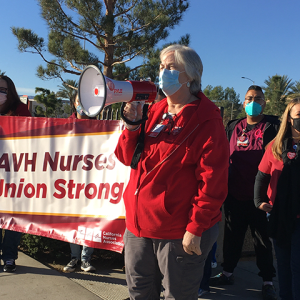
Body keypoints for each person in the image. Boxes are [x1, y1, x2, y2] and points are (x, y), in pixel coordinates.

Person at [115, 44, 229, 300]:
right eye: (161, 67)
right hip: (139, 226)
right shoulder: (155, 111)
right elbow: (126, 157)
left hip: (178, 231)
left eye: (170, 67)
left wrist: (195, 228)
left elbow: (213, 183)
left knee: (177, 295)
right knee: (139, 291)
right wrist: (133, 125)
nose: (162, 72)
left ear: (189, 76)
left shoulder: (206, 120)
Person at [210, 85, 279, 300]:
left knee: (262, 241)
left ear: (264, 102)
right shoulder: (233, 126)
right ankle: (228, 272)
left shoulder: (273, 126)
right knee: (232, 237)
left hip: (261, 198)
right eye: (249, 98)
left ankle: (268, 281)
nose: (253, 102)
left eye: (258, 98)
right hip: (234, 194)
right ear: (243, 102)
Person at [254, 98, 300, 299]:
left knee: (297, 266)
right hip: (279, 217)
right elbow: (261, 176)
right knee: (282, 264)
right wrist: (259, 201)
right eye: (299, 115)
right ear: (289, 119)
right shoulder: (276, 146)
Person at [0, 75, 31, 272]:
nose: (0, 93)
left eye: (3, 90)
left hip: (15, 174)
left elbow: (30, 137)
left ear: (10, 91)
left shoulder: (21, 110)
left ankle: (9, 257)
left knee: (12, 218)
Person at [63, 92, 96, 273]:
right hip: (70, 183)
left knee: (89, 221)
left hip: (92, 184)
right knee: (72, 221)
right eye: (78, 100)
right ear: (74, 103)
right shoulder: (64, 125)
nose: (81, 104)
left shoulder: (101, 127)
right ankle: (74, 258)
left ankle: (86, 259)